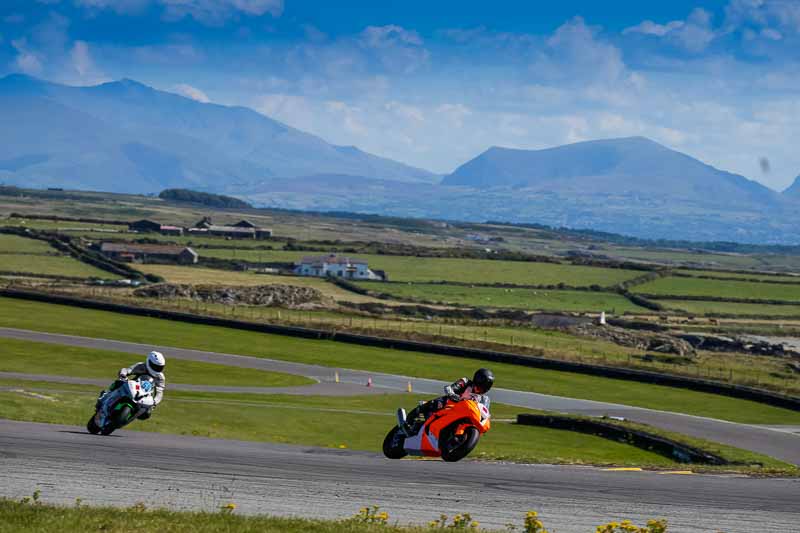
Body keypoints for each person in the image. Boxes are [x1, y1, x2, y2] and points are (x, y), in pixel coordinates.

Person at [398, 368, 494, 436]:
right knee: (434, 404)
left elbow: (485, 413)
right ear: (477, 380)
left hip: (464, 415)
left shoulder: (485, 399)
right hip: (450, 404)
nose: (480, 390)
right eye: (480, 387)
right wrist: (452, 393)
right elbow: (451, 387)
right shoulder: (465, 382)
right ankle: (407, 423)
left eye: (484, 388)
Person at [97, 351, 166, 420]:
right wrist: (123, 375)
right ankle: (106, 395)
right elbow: (127, 370)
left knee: (147, 414)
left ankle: (129, 418)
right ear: (149, 362)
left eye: (160, 367)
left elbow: (160, 392)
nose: (157, 369)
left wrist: (154, 402)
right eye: (155, 366)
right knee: (119, 382)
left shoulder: (160, 378)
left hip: (145, 396)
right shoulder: (141, 366)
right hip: (133, 387)